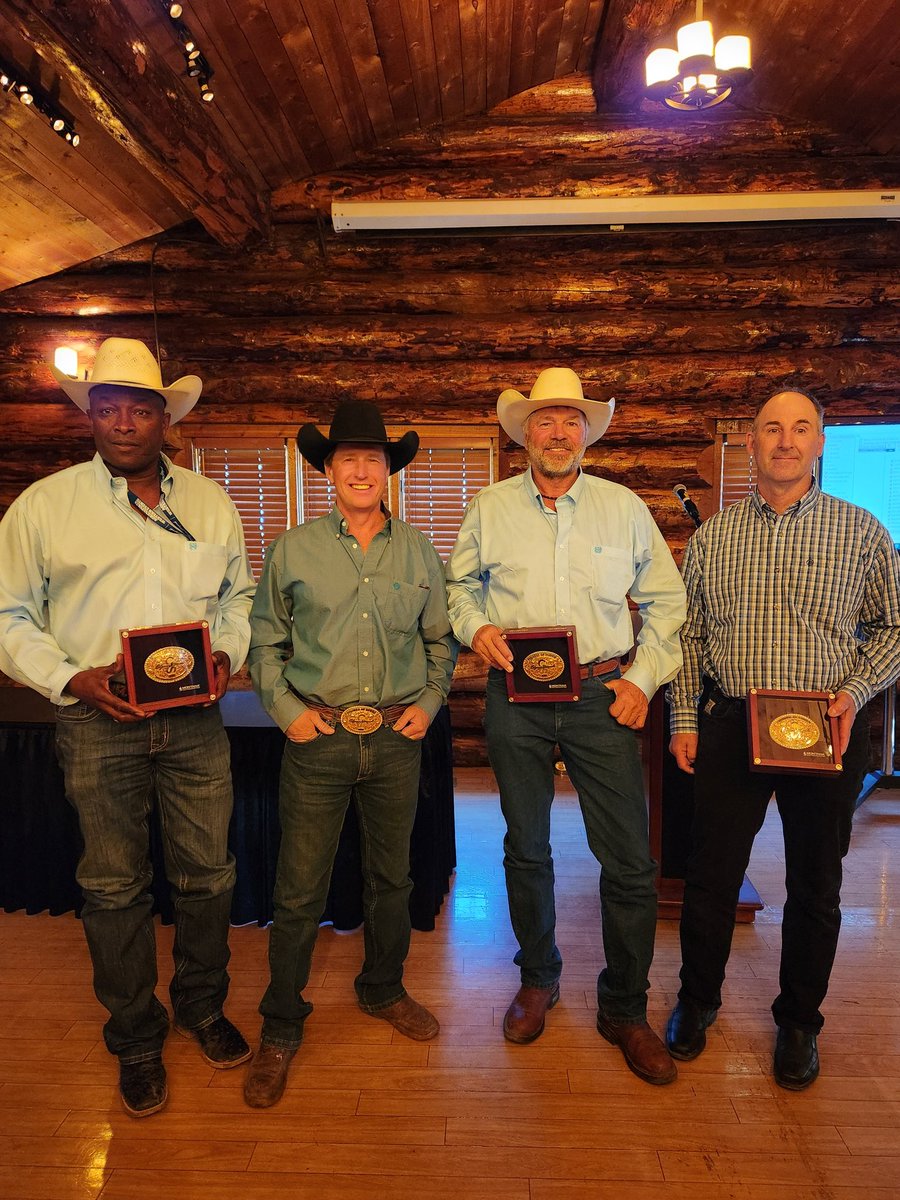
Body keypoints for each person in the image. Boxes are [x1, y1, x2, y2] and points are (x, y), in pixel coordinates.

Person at [0, 337, 255, 1117]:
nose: (120, 421)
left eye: (137, 407)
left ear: (163, 416)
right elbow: (8, 616)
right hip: (95, 724)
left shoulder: (211, 503)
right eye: (105, 407)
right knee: (112, 887)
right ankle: (136, 1034)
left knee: (208, 876)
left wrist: (227, 658)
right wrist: (72, 677)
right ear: (91, 417)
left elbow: (238, 602)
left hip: (197, 724)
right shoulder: (44, 506)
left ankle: (203, 1009)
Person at [446, 367, 687, 1085]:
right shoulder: (488, 508)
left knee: (631, 862)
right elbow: (459, 587)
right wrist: (478, 626)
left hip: (602, 695)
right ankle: (538, 978)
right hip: (513, 692)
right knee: (526, 847)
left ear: (586, 432)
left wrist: (642, 680)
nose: (557, 433)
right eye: (544, 420)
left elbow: (667, 604)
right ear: (525, 433)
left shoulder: (623, 508)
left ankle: (624, 1006)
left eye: (570, 420)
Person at [666, 389, 900, 1090]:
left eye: (801, 428)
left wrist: (854, 695)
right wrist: (683, 719)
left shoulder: (863, 533)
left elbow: (893, 628)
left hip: (825, 729)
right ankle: (697, 1000)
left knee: (816, 887)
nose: (786, 440)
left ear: (821, 442)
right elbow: (689, 635)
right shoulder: (713, 537)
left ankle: (800, 1022)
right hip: (733, 723)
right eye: (772, 428)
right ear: (752, 443)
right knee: (709, 879)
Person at [243, 400, 456, 1108]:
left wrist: (427, 706)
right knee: (299, 888)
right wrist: (287, 713)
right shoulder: (292, 549)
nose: (362, 470)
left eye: (375, 459)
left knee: (391, 880)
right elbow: (265, 643)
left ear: (388, 471)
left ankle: (384, 989)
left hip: (397, 742)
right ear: (327, 470)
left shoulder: (420, 550)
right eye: (349, 459)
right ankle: (280, 1024)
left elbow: (440, 643)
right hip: (319, 740)